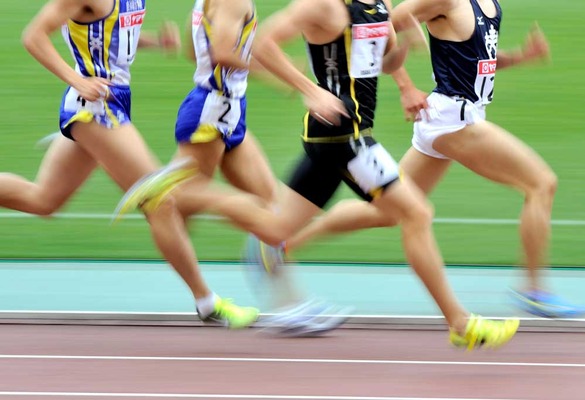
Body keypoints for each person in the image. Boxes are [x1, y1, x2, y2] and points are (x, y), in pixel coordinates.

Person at [116, 0, 520, 348]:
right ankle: (460, 324)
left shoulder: (375, 5)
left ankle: (178, 192)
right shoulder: (324, 5)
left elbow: (381, 61)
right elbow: (263, 43)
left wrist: (407, 49)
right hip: (343, 137)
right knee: (416, 214)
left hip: (343, 136)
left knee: (275, 230)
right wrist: (309, 89)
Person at [271, 0, 585, 319]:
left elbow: (479, 61)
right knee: (541, 183)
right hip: (454, 120)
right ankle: (534, 290)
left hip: (445, 120)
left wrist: (520, 57)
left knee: (386, 212)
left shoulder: (488, 5)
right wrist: (402, 76)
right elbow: (383, 24)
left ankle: (285, 244)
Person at [0, 0, 258, 328]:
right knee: (160, 200)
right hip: (94, 107)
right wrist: (77, 80)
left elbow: (112, 35)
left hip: (113, 100)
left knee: (43, 200)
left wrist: (152, 41)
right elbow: (33, 36)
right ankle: (207, 302)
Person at [148, 0, 350, 335]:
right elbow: (221, 54)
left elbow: (192, 48)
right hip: (211, 113)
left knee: (274, 212)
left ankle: (290, 307)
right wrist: (278, 72)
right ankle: (161, 188)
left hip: (228, 111)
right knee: (178, 202)